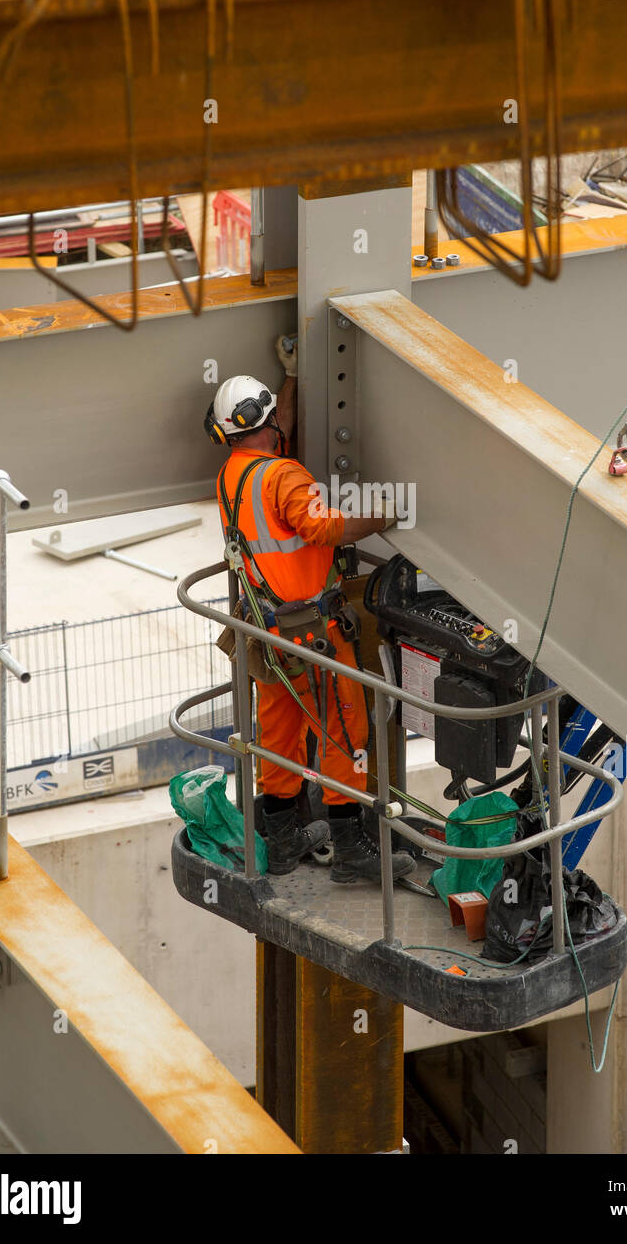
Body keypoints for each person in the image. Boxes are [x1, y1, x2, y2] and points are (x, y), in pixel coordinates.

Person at [205, 334, 415, 885]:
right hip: (313, 631)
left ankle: (282, 841)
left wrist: (292, 379)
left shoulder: (233, 475)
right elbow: (321, 525)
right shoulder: (286, 477)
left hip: (269, 635)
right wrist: (384, 516)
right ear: (269, 425)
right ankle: (351, 851)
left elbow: (279, 440)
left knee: (278, 731)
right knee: (346, 728)